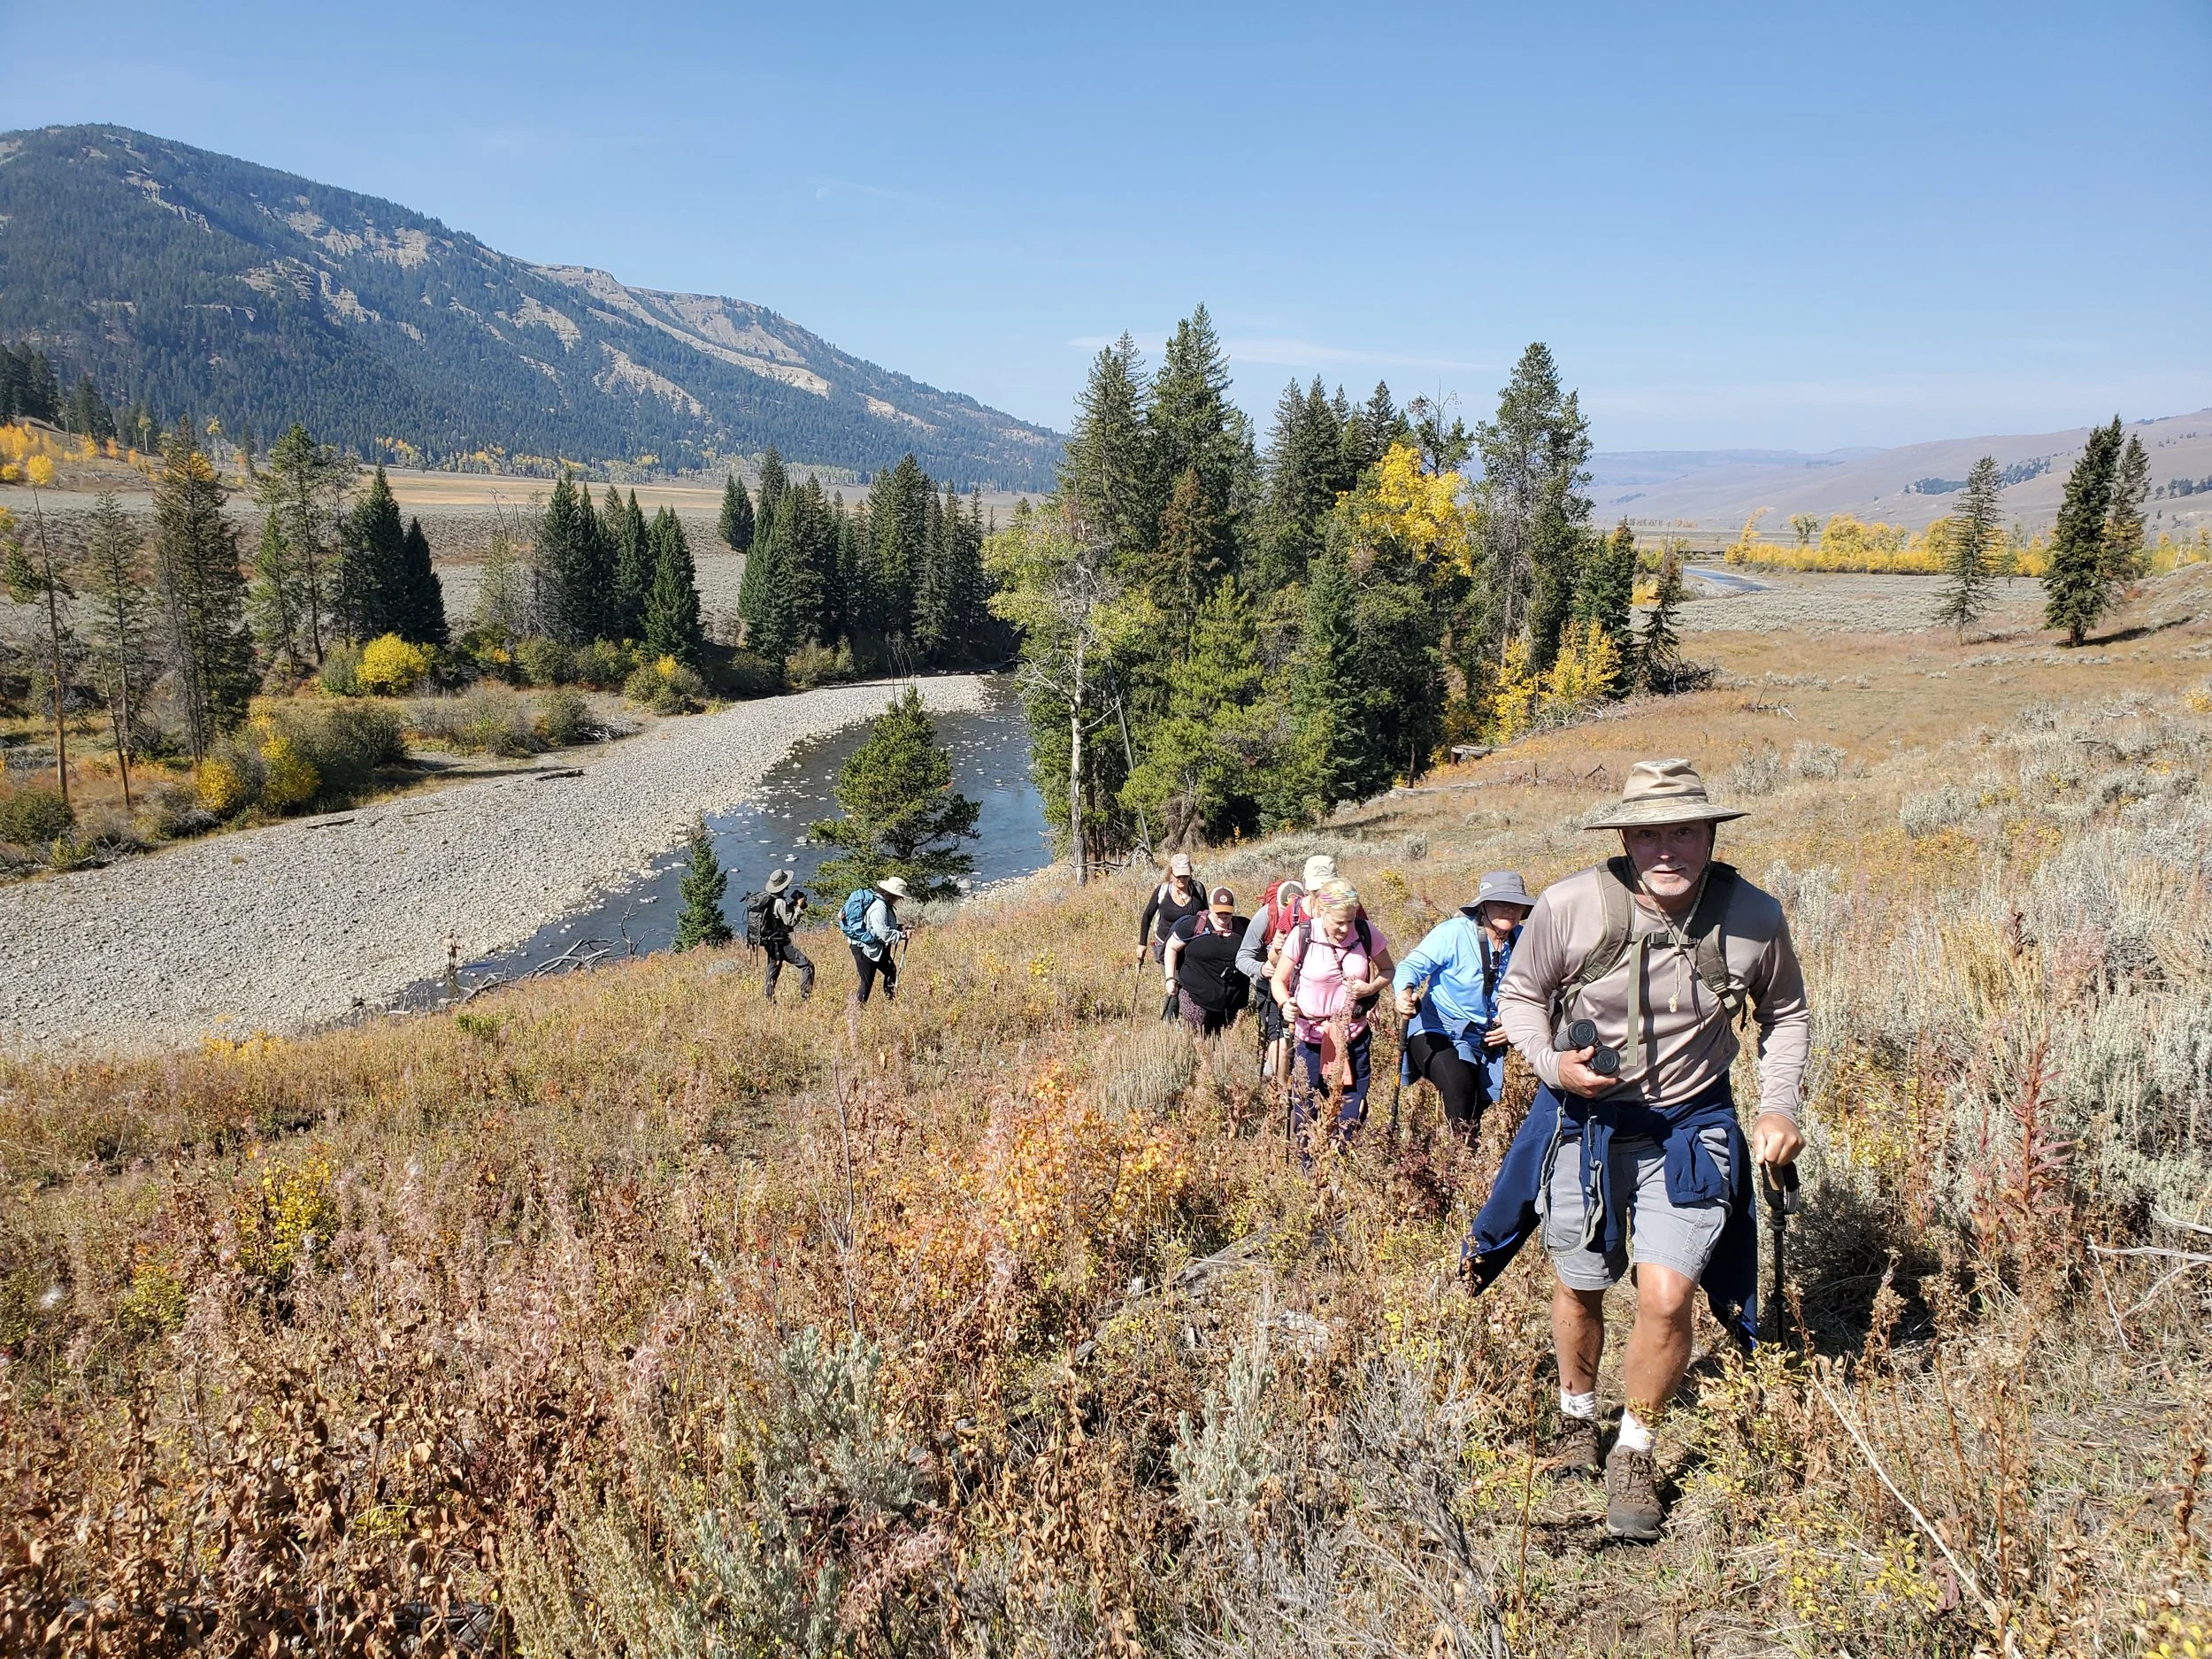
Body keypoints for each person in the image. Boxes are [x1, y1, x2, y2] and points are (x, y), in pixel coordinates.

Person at [1462, 758, 1809, 1543]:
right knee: (1580, 1283)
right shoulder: (1571, 904)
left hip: (1692, 1129)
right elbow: (1519, 997)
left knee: (1665, 1296)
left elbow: (1786, 1014)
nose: (1667, 847)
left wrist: (1779, 1104)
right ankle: (1577, 1416)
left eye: (1684, 829)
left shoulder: (1755, 917)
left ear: (1711, 832)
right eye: (1648, 830)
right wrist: (1552, 1064)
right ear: (1622, 834)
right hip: (1584, 1126)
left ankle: (1635, 1448)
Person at [1392, 871, 1533, 1143]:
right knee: (1460, 1089)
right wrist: (1404, 993)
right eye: (1501, 901)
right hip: (1436, 1029)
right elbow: (1411, 967)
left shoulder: (1525, 941)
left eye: (1516, 904)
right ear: (1483, 905)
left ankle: (1459, 1166)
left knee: (1475, 1108)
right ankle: (1461, 1164)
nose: (1509, 908)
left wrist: (1514, 1026)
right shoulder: (1453, 933)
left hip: (1485, 1039)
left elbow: (1540, 989)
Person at [1271, 877, 1394, 1148]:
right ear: (1320, 911)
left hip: (1353, 1037)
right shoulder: (1302, 935)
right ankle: (1308, 1170)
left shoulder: (1366, 932)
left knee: (1351, 1109)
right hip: (1310, 1038)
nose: (1344, 928)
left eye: (1349, 921)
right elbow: (1278, 981)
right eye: (1338, 921)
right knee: (1306, 1107)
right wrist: (1285, 1004)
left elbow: (1389, 970)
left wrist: (1370, 987)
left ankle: (1339, 1161)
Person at [1237, 879, 1303, 1080]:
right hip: (1270, 986)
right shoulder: (1266, 915)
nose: (1290, 917)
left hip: (1302, 987)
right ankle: (1281, 1089)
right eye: (1286, 911)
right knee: (1278, 1037)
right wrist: (1261, 968)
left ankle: (1282, 1072)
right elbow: (1242, 958)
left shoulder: (1312, 914)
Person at [1164, 886, 1250, 1037]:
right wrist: (1170, 979)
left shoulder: (1243, 927)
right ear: (1210, 908)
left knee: (1219, 1042)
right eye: (1219, 912)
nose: (1223, 915)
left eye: (1227, 912)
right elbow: (1171, 947)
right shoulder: (1194, 925)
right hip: (1196, 997)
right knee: (1195, 1039)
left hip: (1230, 1001)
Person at [843, 874, 911, 1005]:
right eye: (898, 896)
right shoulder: (879, 906)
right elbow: (882, 933)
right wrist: (902, 935)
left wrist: (899, 928)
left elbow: (879, 927)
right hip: (864, 948)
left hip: (873, 947)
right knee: (867, 982)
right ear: (892, 894)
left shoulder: (883, 904)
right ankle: (855, 1014)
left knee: (890, 970)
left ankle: (890, 1002)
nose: (899, 899)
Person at [1136, 852, 1206, 965]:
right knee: (1172, 981)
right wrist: (1142, 944)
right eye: (1178, 875)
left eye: (1185, 875)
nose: (1181, 879)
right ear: (1171, 874)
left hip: (1192, 944)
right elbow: (1147, 915)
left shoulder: (1198, 889)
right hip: (1166, 944)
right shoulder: (1162, 891)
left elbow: (1206, 915)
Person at [757, 869, 813, 1001]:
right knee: (807, 966)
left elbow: (777, 916)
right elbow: (791, 921)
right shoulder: (780, 902)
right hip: (780, 944)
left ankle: (768, 1002)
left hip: (770, 943)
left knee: (772, 973)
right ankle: (806, 999)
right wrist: (799, 906)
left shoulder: (770, 899)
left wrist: (793, 905)